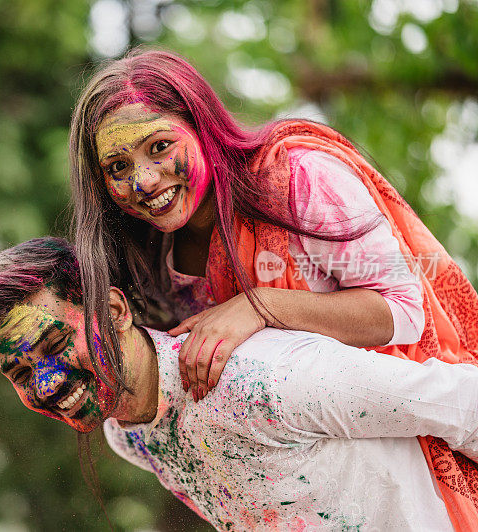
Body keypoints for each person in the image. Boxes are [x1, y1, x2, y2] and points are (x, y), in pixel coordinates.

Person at [68, 48, 478, 524]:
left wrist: (260, 305)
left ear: (201, 125)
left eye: (159, 147)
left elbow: (405, 314)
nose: (143, 180)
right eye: (117, 168)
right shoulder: (148, 262)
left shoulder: (298, 178)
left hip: (419, 443)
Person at [0, 237, 478, 531]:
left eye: (54, 346)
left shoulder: (259, 376)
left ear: (114, 310)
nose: (46, 382)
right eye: (21, 373)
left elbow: (465, 403)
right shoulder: (129, 434)